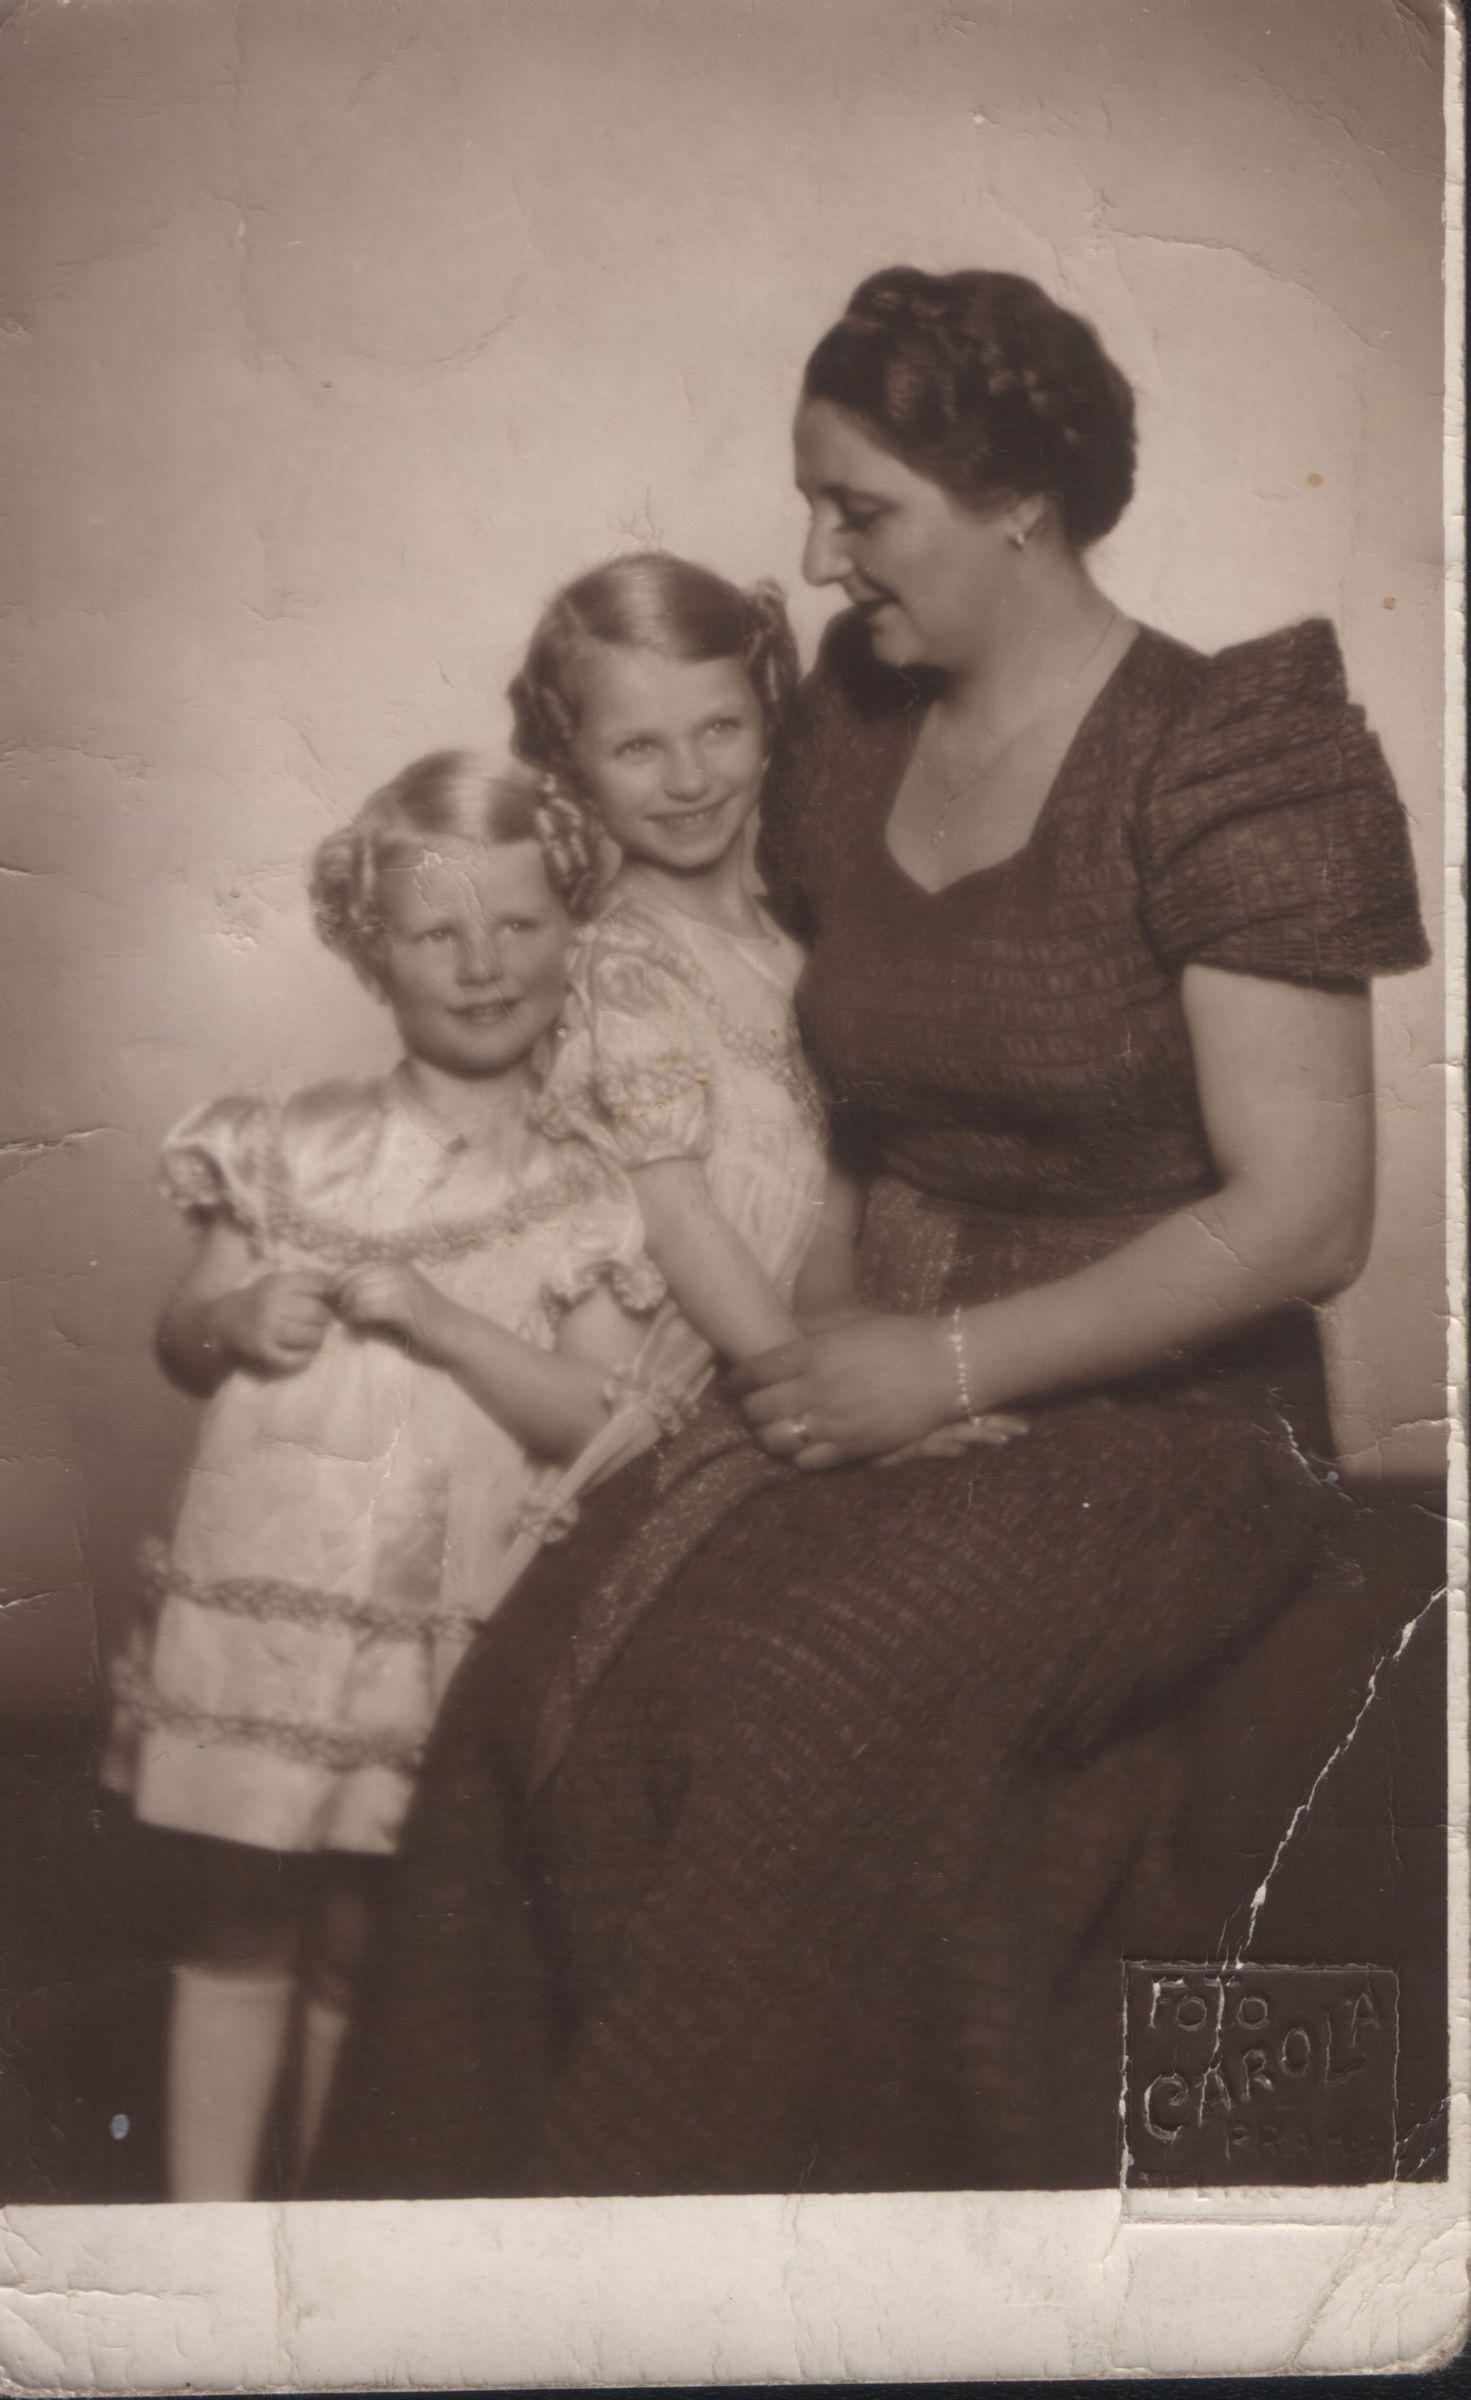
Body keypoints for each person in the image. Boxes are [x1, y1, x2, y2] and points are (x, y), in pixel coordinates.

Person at [318, 267, 1429, 2198]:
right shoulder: (849, 721)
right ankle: (449, 2281)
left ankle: (708, 2271)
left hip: (1167, 1426)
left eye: (862, 510)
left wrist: (946, 1365)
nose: (819, 560)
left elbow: (1307, 1219)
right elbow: (764, 1043)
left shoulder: (1229, 749)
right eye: (815, 507)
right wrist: (825, 1339)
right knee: (532, 1684)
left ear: (1020, 504)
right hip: (850, 1360)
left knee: (801, 1694)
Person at [105, 753, 661, 2200]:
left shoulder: (590, 1185)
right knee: (238, 1916)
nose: (483, 966)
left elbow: (599, 1413)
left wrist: (451, 1325)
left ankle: (319, 2236)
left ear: (572, 930)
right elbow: (180, 1336)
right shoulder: (289, 1146)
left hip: (439, 1621)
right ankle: (208, 2246)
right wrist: (236, 1320)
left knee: (373, 1935)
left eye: (519, 925)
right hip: (274, 1609)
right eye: (436, 933)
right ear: (372, 948)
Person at [476, 553, 1014, 1613]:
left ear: (768, 717)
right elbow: (677, 1217)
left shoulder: (799, 948)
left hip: (771, 1353)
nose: (688, 779)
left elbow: (823, 1182)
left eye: (717, 728)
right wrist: (813, 1392)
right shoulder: (619, 969)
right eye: (637, 747)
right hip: (650, 1386)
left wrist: (844, 1330)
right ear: (573, 764)